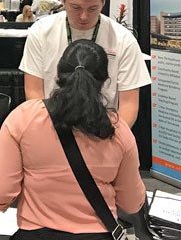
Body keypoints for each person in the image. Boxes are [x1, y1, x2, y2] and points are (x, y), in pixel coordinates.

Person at [0, 39, 145, 240]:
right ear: (104, 81)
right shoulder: (118, 130)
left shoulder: (23, 118)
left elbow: (2, 192)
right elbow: (131, 203)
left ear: (58, 74)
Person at [19, 0, 151, 128]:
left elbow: (129, 104)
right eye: (76, 7)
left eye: (92, 9)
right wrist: (49, 136)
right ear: (63, 0)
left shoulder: (123, 40)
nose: (83, 16)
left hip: (104, 129)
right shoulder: (41, 32)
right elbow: (34, 92)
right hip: (53, 126)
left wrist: (113, 140)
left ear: (103, 2)